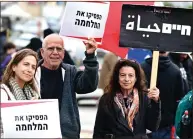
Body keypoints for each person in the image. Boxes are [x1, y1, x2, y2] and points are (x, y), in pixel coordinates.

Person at [35, 34, 99, 139]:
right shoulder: (32, 73)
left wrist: (90, 55)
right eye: (51, 48)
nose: (55, 52)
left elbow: (88, 86)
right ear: (42, 52)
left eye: (59, 49)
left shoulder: (70, 72)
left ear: (63, 53)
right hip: (38, 132)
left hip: (66, 134)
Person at [93, 59, 161, 139]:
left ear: (136, 78)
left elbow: (153, 126)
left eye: (131, 75)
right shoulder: (106, 99)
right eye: (122, 75)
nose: (126, 79)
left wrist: (155, 102)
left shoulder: (144, 97)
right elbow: (98, 130)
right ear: (117, 78)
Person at [141, 51, 185, 138]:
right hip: (164, 124)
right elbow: (180, 98)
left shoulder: (141, 68)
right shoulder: (175, 70)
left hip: (146, 122)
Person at [0, 49, 39, 138]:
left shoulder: (33, 94)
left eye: (33, 67)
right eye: (26, 64)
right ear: (14, 67)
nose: (30, 70)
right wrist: (27, 109)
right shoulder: (3, 93)